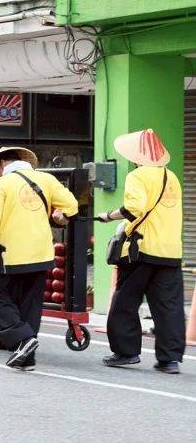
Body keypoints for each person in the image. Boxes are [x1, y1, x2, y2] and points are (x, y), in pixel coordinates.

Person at [0, 146, 79, 370]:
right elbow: (71, 207)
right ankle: (26, 358)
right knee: (30, 304)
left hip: (12, 253)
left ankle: (22, 339)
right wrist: (61, 217)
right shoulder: (47, 179)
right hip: (42, 253)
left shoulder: (3, 184)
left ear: (3, 163)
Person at [96, 129, 186, 375]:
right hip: (170, 251)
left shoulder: (138, 176)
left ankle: (126, 352)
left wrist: (108, 215)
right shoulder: (172, 176)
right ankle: (169, 360)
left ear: (136, 156)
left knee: (125, 301)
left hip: (141, 250)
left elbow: (134, 208)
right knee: (169, 306)